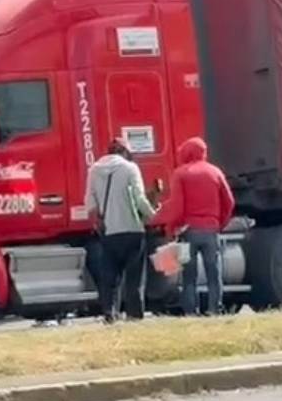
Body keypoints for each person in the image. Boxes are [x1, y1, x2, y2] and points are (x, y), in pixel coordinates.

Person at [158, 137, 234, 316]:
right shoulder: (215, 172)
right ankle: (214, 309)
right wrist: (219, 223)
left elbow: (177, 207)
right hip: (211, 230)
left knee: (189, 276)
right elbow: (229, 202)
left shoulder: (180, 173)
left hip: (188, 231)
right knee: (213, 274)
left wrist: (171, 228)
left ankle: (191, 312)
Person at [85, 138, 158, 323]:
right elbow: (139, 198)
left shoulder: (94, 170)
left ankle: (110, 313)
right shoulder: (130, 168)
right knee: (134, 277)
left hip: (109, 232)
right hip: (132, 229)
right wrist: (153, 214)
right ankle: (134, 315)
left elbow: (90, 202)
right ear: (125, 151)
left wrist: (100, 221)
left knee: (110, 276)